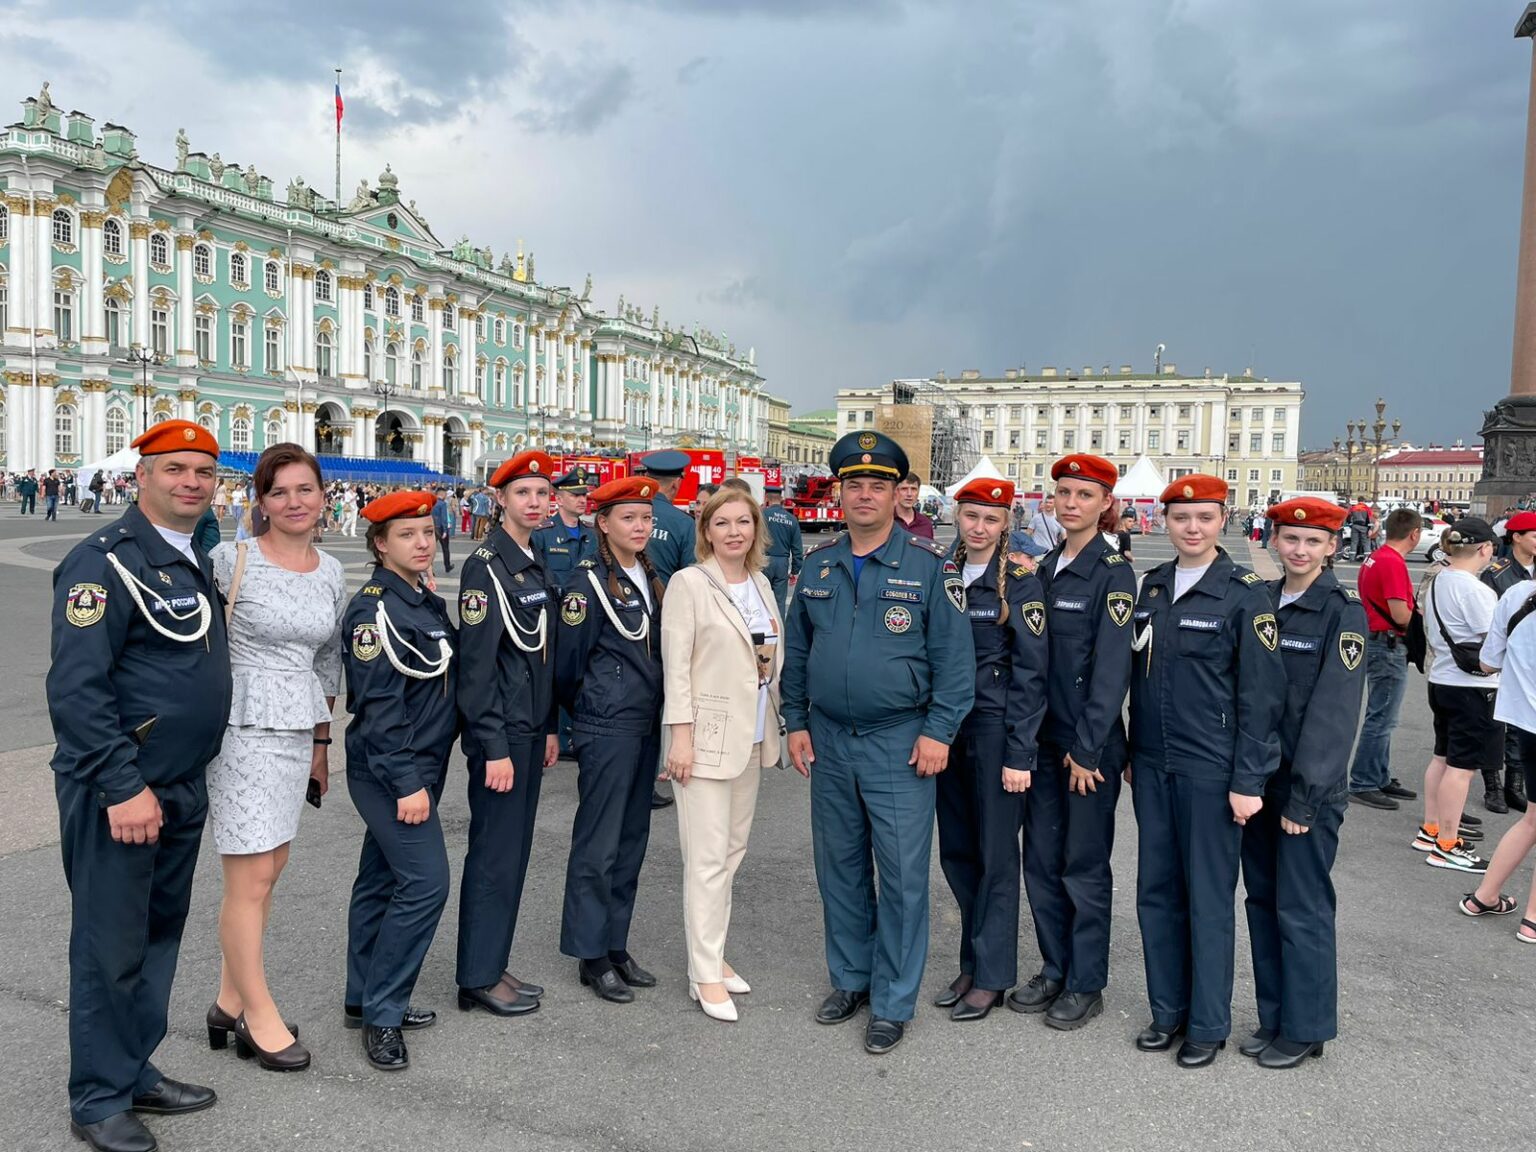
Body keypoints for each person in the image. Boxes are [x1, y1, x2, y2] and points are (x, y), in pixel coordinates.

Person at [46, 420, 232, 1152]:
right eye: (175, 469)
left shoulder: (191, 555)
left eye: (203, 472)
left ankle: (132, 1069)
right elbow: (78, 691)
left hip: (180, 784)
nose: (191, 482)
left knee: (157, 937)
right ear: (141, 476)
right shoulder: (102, 564)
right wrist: (123, 786)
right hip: (121, 792)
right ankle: (96, 1098)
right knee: (109, 944)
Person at [781, 431, 974, 1055]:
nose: (865, 495)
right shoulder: (818, 565)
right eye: (854, 484)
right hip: (830, 741)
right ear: (839, 493)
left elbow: (955, 663)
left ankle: (892, 1000)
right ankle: (851, 979)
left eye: (878, 485)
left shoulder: (927, 569)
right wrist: (796, 720)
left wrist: (939, 731)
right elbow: (799, 653)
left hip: (900, 744)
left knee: (900, 877)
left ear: (898, 496)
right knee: (838, 869)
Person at [1126, 474, 1283, 1069]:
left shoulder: (1245, 594)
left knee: (1209, 899)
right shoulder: (1155, 586)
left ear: (1224, 521)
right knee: (1156, 893)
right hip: (1154, 765)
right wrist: (1136, 754)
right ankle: (1166, 1010)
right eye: (1181, 518)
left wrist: (1249, 780)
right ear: (1164, 522)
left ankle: (1208, 1023)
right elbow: (1140, 678)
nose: (1192, 528)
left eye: (1205, 518)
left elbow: (1261, 699)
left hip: (1212, 771)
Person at [205, 444, 344, 1074]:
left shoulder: (330, 570)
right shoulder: (229, 559)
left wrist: (321, 744)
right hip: (238, 726)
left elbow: (326, 662)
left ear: (323, 496)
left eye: (305, 490)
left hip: (294, 730)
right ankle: (258, 1017)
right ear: (260, 501)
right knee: (249, 876)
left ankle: (228, 999)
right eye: (280, 491)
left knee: (274, 867)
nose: (294, 502)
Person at [1237, 497, 1366, 1069]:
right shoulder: (1264, 601)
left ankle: (1308, 1027)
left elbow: (1335, 712)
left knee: (1303, 906)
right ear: (1274, 541)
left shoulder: (1341, 613)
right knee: (1263, 900)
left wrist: (1307, 796)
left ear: (1332, 547)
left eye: (1313, 541)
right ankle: (1275, 1017)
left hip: (1303, 790)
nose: (1300, 549)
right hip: (1260, 780)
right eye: (1291, 538)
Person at [1013, 454, 1134, 1031]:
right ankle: (1054, 966)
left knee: (1083, 866)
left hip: (1087, 746)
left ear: (1105, 504)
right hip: (1043, 739)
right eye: (1063, 493)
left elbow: (1112, 668)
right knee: (1040, 860)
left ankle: (1086, 982)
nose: (1071, 504)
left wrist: (1087, 749)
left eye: (1084, 495)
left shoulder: (1113, 573)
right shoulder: (1043, 566)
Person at [659, 488, 785, 1022]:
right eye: (723, 523)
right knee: (707, 861)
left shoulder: (759, 582)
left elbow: (768, 657)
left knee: (731, 855)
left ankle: (712, 952)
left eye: (744, 522)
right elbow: (677, 666)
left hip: (751, 737)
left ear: (756, 529)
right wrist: (679, 737)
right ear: (706, 531)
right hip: (704, 740)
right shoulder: (689, 585)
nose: (735, 531)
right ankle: (703, 975)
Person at [342, 491, 458, 1071]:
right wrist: (408, 782)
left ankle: (362, 997)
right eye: (407, 535)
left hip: (422, 765)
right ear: (380, 544)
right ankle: (384, 1015)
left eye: (427, 533)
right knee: (426, 884)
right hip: (390, 770)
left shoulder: (420, 601)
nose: (421, 542)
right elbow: (381, 707)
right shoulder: (373, 612)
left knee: (380, 882)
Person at [933, 478, 1047, 1022]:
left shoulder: (1021, 584)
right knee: (957, 852)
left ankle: (994, 974)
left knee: (997, 857)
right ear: (958, 516)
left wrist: (1021, 754)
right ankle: (972, 963)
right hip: (946, 732)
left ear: (1006, 525)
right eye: (972, 516)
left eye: (991, 520)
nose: (979, 528)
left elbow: (1032, 673)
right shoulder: (941, 573)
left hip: (996, 731)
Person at [454, 452, 560, 1018]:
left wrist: (545, 728)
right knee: (494, 855)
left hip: (526, 729)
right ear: (500, 501)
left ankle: (493, 962)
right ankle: (476, 976)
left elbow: (538, 656)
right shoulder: (486, 567)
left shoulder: (531, 558)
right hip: (500, 738)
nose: (536, 502)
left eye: (543, 493)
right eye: (524, 493)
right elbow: (475, 670)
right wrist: (492, 746)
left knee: (514, 853)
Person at [555, 476, 666, 1003]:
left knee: (630, 841)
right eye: (628, 518)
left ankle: (616, 944)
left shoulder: (648, 574)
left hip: (643, 723)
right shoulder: (587, 582)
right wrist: (587, 714)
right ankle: (590, 954)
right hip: (606, 725)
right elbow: (569, 663)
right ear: (603, 523)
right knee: (597, 846)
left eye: (645, 518)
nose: (640, 527)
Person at [1415, 517, 1502, 874]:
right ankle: (1447, 843)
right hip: (1474, 687)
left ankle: (1431, 827)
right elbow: (1493, 643)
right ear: (1484, 549)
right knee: (1462, 768)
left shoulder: (1439, 579)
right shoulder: (1475, 589)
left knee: (1443, 757)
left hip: (1444, 679)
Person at [1459, 572, 1536, 943]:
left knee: (1532, 820)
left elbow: (1489, 661)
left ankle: (1484, 897)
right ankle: (1533, 919)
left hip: (1524, 720)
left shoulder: (1518, 594)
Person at [1348, 509, 1424, 810]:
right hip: (1388, 643)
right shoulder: (1393, 563)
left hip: (1377, 640)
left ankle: (1378, 775)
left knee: (1382, 715)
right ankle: (1365, 780)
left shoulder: (1377, 556)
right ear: (1415, 534)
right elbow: (1399, 614)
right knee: (1383, 717)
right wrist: (1418, 620)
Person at [638, 449, 697, 810]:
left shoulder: (625, 511)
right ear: (675, 483)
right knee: (655, 701)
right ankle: (645, 784)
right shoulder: (681, 523)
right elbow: (691, 574)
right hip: (663, 622)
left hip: (623, 616)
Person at [1480, 511, 1536, 813]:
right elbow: (1488, 620)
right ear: (1516, 537)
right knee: (1494, 726)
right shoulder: (1497, 573)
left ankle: (1517, 784)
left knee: (1519, 727)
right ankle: (1493, 786)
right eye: (1535, 535)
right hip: (1498, 659)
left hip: (1525, 664)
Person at [532, 468, 599, 590]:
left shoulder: (593, 534)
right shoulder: (541, 534)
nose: (583, 500)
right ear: (559, 500)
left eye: (584, 495)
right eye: (575, 495)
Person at [761, 480, 804, 617]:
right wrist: (795, 570)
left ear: (767, 498)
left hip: (763, 560)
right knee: (779, 601)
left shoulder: (762, 515)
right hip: (782, 563)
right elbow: (797, 549)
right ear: (781, 500)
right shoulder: (791, 519)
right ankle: (779, 632)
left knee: (761, 597)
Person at [894, 472, 936, 539]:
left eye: (913, 489)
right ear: (895, 491)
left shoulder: (926, 524)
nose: (909, 494)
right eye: (904, 489)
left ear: (918, 492)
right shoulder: (884, 521)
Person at [430, 489, 455, 574]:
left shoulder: (431, 502)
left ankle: (430, 569)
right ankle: (447, 566)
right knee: (445, 548)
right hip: (440, 527)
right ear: (443, 494)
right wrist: (445, 530)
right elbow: (444, 517)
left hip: (432, 526)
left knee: (431, 549)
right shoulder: (443, 504)